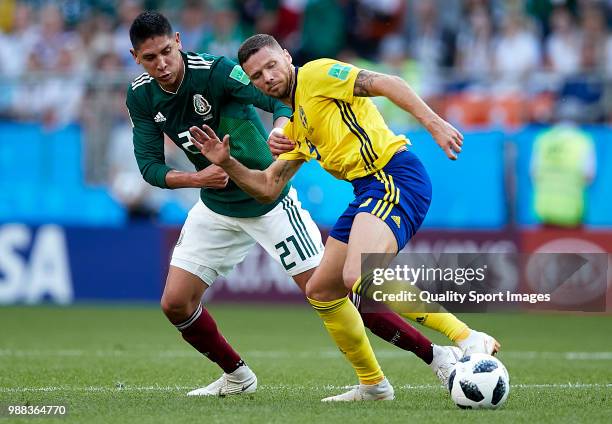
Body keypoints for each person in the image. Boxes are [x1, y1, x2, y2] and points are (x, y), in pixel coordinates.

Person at [126, 12, 462, 398]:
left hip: (271, 203)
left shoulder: (217, 71)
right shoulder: (140, 95)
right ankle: (237, 376)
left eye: (167, 51)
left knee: (336, 291)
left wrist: (280, 130)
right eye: (151, 58)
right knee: (175, 304)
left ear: (179, 41)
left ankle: (434, 356)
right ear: (136, 57)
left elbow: (281, 95)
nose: (162, 64)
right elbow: (150, 167)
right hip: (217, 203)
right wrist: (197, 178)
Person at [189, 34, 500, 401]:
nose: (267, 77)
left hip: (393, 176)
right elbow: (269, 187)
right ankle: (373, 385)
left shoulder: (318, 74)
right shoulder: (295, 126)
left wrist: (433, 123)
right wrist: (226, 163)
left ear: (287, 57)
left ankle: (467, 337)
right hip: (366, 191)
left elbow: (387, 82)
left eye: (271, 65)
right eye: (256, 75)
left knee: (357, 275)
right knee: (321, 291)